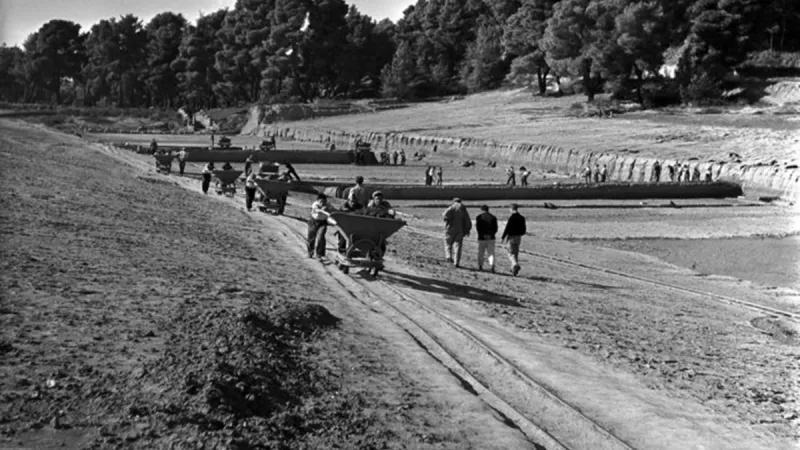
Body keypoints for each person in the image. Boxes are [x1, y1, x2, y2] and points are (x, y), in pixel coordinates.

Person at [442, 198, 472, 268]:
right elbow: (468, 220)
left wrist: (447, 220)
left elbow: (444, 215)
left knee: (448, 243)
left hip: (450, 229)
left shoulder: (452, 207)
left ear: (454, 201)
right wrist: (467, 230)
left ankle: (448, 256)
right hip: (460, 229)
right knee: (458, 246)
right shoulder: (463, 208)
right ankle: (456, 262)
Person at [501, 204, 526, 277]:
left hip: (511, 237)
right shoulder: (522, 218)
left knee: (510, 253)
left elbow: (507, 228)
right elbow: (524, 230)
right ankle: (513, 270)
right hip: (518, 237)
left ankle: (515, 265)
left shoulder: (511, 218)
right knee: (516, 253)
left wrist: (503, 237)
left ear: (511, 209)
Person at [308, 193, 334, 259]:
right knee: (311, 237)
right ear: (318, 201)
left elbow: (333, 210)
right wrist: (323, 210)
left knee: (320, 237)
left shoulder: (328, 205)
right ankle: (310, 252)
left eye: (324, 201)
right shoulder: (315, 204)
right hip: (313, 222)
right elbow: (317, 210)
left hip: (322, 223)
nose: (322, 203)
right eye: (321, 201)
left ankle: (319, 254)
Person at [475, 205, 498, 272]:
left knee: (481, 253)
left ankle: (480, 266)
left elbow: (478, 228)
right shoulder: (493, 217)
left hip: (482, 238)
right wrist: (490, 235)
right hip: (491, 238)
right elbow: (495, 229)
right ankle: (492, 267)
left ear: (482, 210)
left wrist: (483, 235)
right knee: (491, 253)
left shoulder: (479, 217)